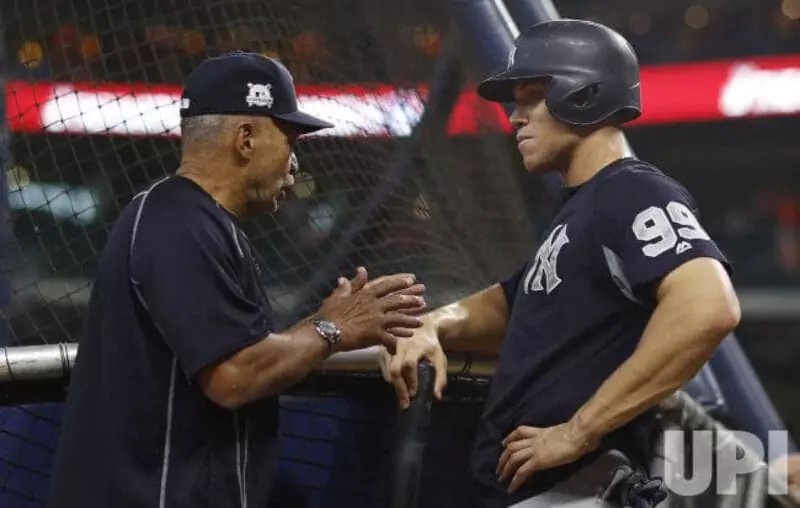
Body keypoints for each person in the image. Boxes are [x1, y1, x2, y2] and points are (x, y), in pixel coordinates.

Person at [380, 20, 740, 507]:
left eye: (530, 97)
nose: (515, 117)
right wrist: (433, 325)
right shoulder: (582, 209)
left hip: (579, 487)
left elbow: (709, 307)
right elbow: (516, 303)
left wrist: (579, 430)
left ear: (583, 93)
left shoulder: (632, 190)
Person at [49, 51, 427, 508]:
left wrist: (328, 323)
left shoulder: (196, 221)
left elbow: (239, 354)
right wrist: (333, 328)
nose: (295, 164)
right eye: (289, 141)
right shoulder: (177, 223)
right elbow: (233, 376)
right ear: (246, 138)